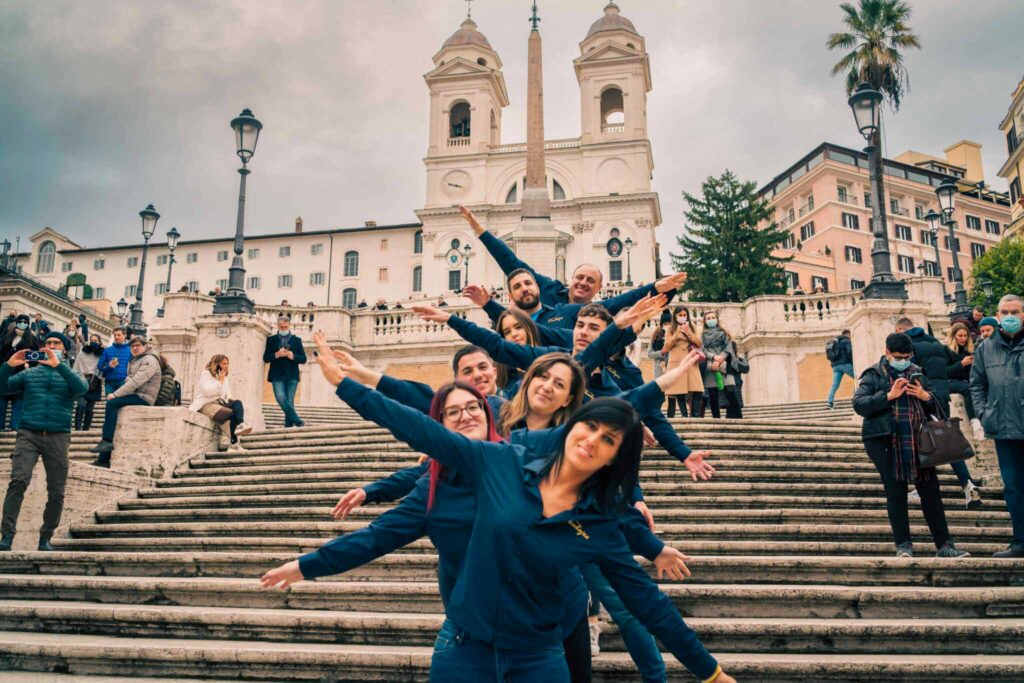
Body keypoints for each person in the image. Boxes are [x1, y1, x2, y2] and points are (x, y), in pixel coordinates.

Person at [264, 353, 732, 683]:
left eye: (606, 441)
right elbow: (412, 444)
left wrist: (709, 671)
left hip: (541, 649)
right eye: (589, 428)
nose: (591, 440)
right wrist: (350, 386)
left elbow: (650, 602)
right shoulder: (489, 464)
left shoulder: (570, 491)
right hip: (467, 641)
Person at [853, 333, 969, 559]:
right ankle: (903, 545)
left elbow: (938, 409)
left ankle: (944, 545)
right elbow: (859, 404)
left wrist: (926, 396)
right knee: (896, 492)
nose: (903, 360)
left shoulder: (918, 372)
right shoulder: (874, 374)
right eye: (898, 356)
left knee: (931, 492)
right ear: (887, 353)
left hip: (919, 440)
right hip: (884, 440)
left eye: (907, 356)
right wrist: (888, 395)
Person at [0, 332, 88, 551]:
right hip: (28, 433)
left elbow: (82, 389)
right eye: (48, 343)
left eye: (56, 343)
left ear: (65, 349)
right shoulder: (31, 374)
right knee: (18, 481)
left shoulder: (70, 373)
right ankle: (7, 536)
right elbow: (2, 388)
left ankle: (45, 537)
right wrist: (8, 366)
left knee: (56, 490)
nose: (51, 345)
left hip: (58, 435)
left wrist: (59, 365)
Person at [895, 317, 982, 509]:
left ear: (901, 329)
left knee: (921, 441)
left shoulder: (910, 347)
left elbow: (911, 372)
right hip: (942, 395)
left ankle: (920, 487)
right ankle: (967, 483)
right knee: (947, 441)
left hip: (923, 396)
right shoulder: (937, 344)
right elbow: (951, 365)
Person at [971, 294, 1024, 558]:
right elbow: (977, 384)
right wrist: (983, 412)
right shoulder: (985, 347)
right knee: (1013, 486)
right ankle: (1020, 541)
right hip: (1003, 427)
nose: (1010, 316)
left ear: (1023, 314)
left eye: (1015, 311)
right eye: (1005, 312)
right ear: (999, 315)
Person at [89, 335, 162, 465]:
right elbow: (129, 379)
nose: (135, 348)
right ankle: (104, 458)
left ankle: (106, 442)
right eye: (132, 346)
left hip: (144, 396)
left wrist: (116, 394)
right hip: (136, 394)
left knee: (112, 403)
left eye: (138, 345)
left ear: (145, 346)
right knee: (113, 412)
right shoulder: (135, 360)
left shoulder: (149, 360)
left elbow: (136, 381)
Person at [190, 354, 252, 452]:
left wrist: (230, 398)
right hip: (207, 404)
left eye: (227, 364)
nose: (226, 366)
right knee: (232, 414)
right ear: (216, 364)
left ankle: (240, 425)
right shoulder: (206, 374)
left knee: (237, 403)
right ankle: (234, 444)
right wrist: (219, 382)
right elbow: (207, 391)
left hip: (220, 403)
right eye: (224, 363)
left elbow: (226, 393)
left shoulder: (224, 378)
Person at [263, 314, 307, 428]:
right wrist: (277, 354)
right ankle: (297, 421)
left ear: (289, 325)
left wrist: (293, 356)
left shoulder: (297, 340)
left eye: (285, 327)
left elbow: (303, 359)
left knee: (290, 400)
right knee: (280, 398)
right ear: (278, 325)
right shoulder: (271, 340)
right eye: (281, 327)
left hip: (292, 375)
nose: (283, 329)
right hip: (277, 375)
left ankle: (288, 426)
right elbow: (266, 358)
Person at [944, 321, 984, 440]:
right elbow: (945, 372)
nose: (963, 338)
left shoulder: (969, 350)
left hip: (964, 381)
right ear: (954, 336)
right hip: (950, 382)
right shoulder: (945, 350)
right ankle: (975, 423)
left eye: (965, 336)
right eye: (960, 336)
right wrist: (961, 364)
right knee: (967, 389)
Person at [663, 306, 704, 418]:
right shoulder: (670, 329)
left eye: (684, 315)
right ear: (675, 316)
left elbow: (699, 343)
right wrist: (677, 333)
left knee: (697, 388)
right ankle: (684, 415)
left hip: (691, 359)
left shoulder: (693, 327)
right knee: (679, 389)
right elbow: (666, 348)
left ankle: (695, 415)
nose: (682, 317)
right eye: (679, 315)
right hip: (676, 361)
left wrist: (688, 333)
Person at [0, 314, 38, 432]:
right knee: (1, 400)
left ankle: (14, 426)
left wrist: (29, 365)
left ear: (28, 323)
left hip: (22, 372)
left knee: (19, 400)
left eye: (24, 321)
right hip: (7, 371)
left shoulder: (31, 339)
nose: (22, 323)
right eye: (20, 321)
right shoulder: (8, 336)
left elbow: (35, 355)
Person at [700, 311, 740, 419]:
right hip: (710, 365)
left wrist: (720, 358)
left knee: (730, 391)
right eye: (708, 318)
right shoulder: (702, 335)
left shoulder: (724, 333)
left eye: (713, 317)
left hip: (725, 364)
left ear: (717, 320)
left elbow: (728, 348)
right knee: (713, 394)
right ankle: (716, 420)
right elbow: (702, 349)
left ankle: (739, 417)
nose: (711, 319)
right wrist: (713, 357)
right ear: (705, 321)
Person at [72, 333, 104, 431]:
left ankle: (86, 428)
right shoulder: (83, 352)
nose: (93, 342)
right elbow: (76, 365)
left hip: (95, 382)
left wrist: (100, 378)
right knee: (80, 404)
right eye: (92, 340)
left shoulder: (102, 354)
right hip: (82, 379)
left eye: (96, 340)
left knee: (90, 408)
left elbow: (102, 368)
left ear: (99, 342)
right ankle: (77, 427)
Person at [98, 327, 132, 396]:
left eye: (118, 335)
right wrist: (109, 366)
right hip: (110, 382)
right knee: (110, 403)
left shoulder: (131, 350)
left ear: (125, 335)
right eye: (115, 335)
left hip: (124, 382)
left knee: (122, 404)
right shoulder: (107, 350)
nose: (116, 337)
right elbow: (100, 366)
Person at [826, 329, 854, 409]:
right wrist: (853, 363)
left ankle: (830, 402)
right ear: (848, 334)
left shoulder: (835, 342)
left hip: (835, 367)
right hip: (846, 364)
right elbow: (849, 352)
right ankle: (855, 397)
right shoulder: (846, 341)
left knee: (834, 385)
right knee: (859, 378)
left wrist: (833, 364)